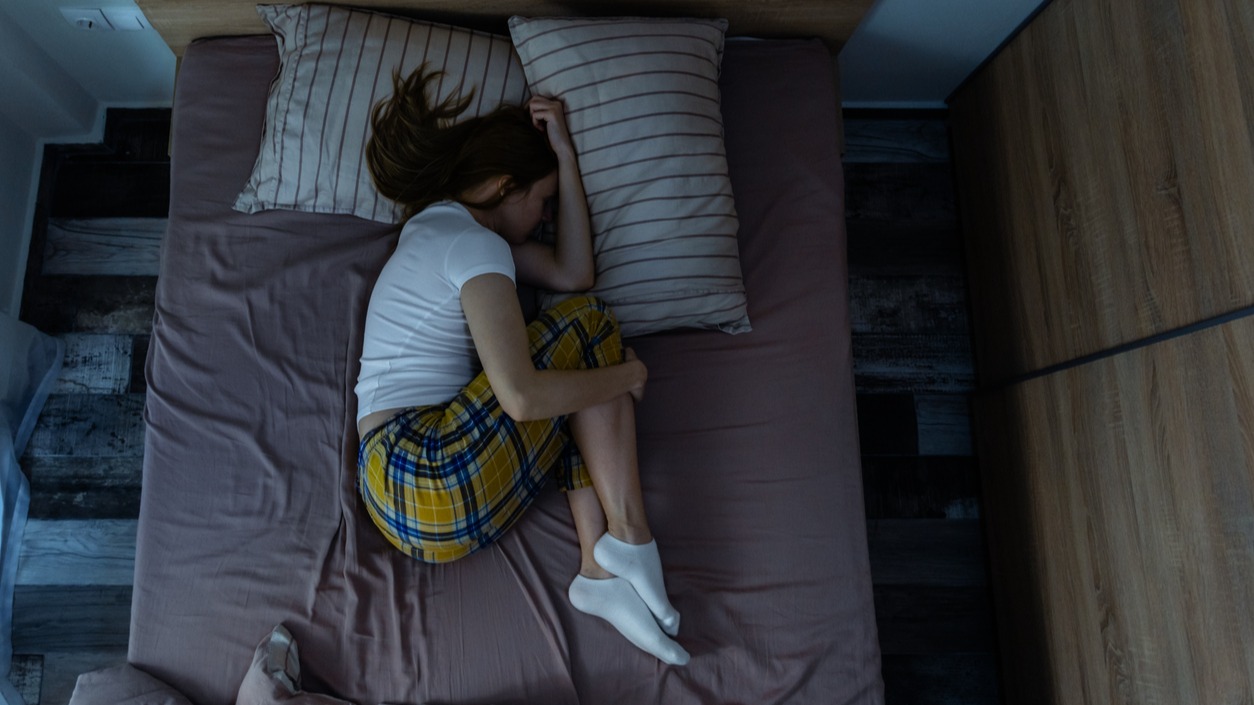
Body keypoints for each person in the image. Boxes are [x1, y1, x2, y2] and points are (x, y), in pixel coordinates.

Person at [354, 66, 689, 666]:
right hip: (418, 463)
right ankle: (631, 535)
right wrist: (630, 377)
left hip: (403, 510)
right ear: (507, 185)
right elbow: (521, 397)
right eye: (543, 202)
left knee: (575, 385)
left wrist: (562, 154)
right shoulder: (472, 245)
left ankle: (598, 571)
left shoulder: (444, 232)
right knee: (588, 328)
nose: (543, 218)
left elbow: (571, 272)